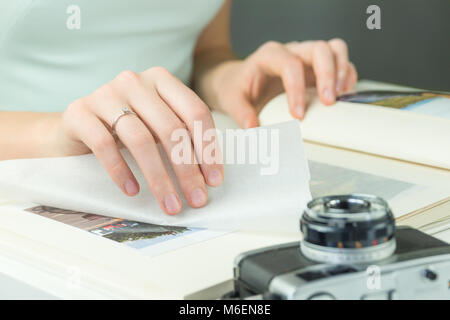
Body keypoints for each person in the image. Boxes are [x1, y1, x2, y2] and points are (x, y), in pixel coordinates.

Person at [0, 0, 357, 215]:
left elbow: (205, 51)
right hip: (21, 184)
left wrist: (232, 77)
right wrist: (55, 133)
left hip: (167, 182)